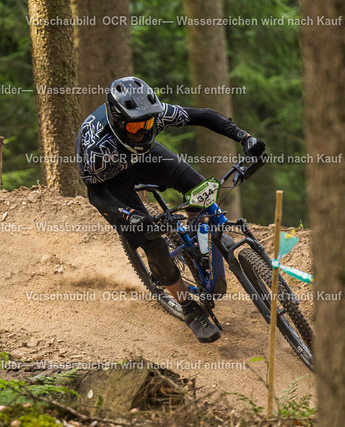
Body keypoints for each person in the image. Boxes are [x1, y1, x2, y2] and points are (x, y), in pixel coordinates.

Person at [75, 76, 265, 343]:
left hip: (145, 157)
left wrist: (244, 138)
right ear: (118, 122)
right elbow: (96, 195)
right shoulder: (96, 148)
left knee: (199, 189)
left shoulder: (152, 114)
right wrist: (129, 215)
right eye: (136, 127)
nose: (144, 131)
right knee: (153, 243)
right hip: (111, 180)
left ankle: (198, 241)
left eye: (148, 124)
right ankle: (188, 308)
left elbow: (203, 116)